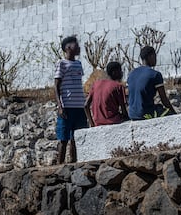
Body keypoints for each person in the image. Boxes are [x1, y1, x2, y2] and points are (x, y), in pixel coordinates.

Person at [54, 36, 88, 164]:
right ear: (68, 48)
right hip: (67, 106)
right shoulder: (61, 64)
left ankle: (74, 163)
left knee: (76, 137)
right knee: (64, 138)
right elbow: (56, 85)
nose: (79, 47)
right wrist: (60, 105)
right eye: (76, 45)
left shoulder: (78, 64)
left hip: (79, 106)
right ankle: (59, 165)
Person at [127, 46, 176, 120]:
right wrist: (174, 114)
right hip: (145, 113)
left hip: (132, 114)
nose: (156, 59)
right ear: (151, 56)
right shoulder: (155, 74)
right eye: (155, 56)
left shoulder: (131, 74)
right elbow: (164, 99)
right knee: (165, 112)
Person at [84, 61, 128, 127]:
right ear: (114, 72)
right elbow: (124, 111)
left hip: (97, 122)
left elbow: (86, 105)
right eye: (120, 71)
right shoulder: (118, 86)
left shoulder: (96, 84)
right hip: (113, 121)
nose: (121, 73)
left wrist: (92, 123)